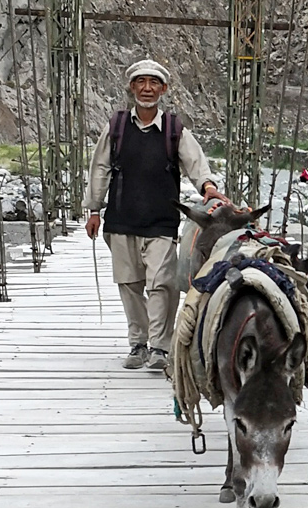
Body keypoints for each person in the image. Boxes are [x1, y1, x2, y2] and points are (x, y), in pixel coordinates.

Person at [84, 59, 229, 370]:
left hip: (161, 220)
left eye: (153, 83)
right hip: (122, 218)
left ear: (164, 89)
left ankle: (160, 347)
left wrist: (208, 186)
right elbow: (100, 168)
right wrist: (94, 209)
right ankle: (138, 342)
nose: (147, 88)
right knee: (129, 283)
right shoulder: (117, 127)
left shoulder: (174, 130)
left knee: (161, 283)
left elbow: (196, 164)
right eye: (140, 82)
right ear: (132, 87)